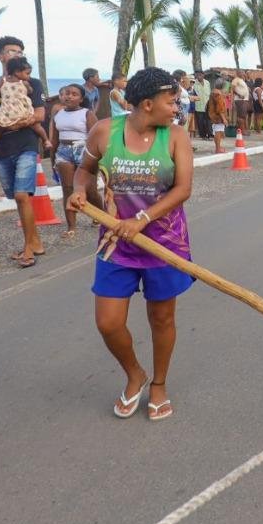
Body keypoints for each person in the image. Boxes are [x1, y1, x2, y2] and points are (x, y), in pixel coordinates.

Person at [66, 68, 195, 422]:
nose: (177, 107)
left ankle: (159, 384)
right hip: (114, 243)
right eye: (172, 102)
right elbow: (85, 172)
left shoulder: (176, 137)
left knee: (162, 317)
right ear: (148, 104)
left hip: (163, 242)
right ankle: (135, 373)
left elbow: (183, 189)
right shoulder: (105, 132)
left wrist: (140, 220)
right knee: (108, 323)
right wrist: (79, 191)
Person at [0, 54, 49, 268]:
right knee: (16, 197)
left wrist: (26, 119)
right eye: (10, 52)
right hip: (2, 148)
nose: (14, 55)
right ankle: (35, 241)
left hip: (27, 143)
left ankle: (28, 249)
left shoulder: (32, 83)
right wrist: (1, 125)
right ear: (1, 57)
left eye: (18, 51)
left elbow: (39, 114)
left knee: (21, 195)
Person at [51, 83, 95, 239]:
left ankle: (100, 216)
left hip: (84, 150)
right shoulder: (58, 113)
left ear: (81, 99)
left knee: (89, 189)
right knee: (68, 189)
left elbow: (95, 137)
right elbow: (54, 139)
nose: (69, 96)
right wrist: (52, 162)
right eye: (66, 93)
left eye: (74, 94)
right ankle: (71, 226)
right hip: (64, 151)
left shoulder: (87, 114)